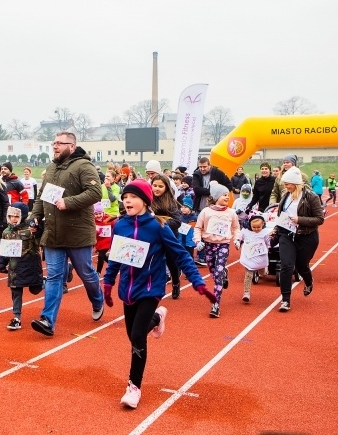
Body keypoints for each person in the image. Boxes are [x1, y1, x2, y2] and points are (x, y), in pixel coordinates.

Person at [102, 179, 214, 409]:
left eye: (132, 197)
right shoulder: (121, 225)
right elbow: (115, 256)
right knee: (133, 336)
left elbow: (181, 255)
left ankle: (134, 387)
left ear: (144, 200)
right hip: (128, 291)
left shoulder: (158, 227)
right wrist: (108, 282)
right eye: (125, 197)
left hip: (150, 289)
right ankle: (158, 318)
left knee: (137, 337)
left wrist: (197, 281)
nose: (127, 200)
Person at [29, 132, 106, 337]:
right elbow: (42, 196)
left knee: (86, 273)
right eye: (53, 143)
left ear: (72, 146)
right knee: (54, 275)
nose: (55, 146)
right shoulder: (52, 167)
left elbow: (95, 193)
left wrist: (68, 202)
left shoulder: (83, 166)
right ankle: (48, 320)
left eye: (59, 143)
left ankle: (98, 299)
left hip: (77, 233)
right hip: (53, 233)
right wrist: (34, 216)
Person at [273, 166, 324, 312]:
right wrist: (276, 230)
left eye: (287, 183)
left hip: (307, 236)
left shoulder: (311, 197)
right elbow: (281, 216)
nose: (285, 186)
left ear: (296, 183)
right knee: (287, 266)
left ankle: (308, 281)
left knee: (302, 266)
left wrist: (299, 219)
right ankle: (285, 300)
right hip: (286, 235)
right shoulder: (285, 196)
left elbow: (320, 219)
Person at [193, 181, 240, 318]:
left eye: (228, 195)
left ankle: (215, 304)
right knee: (214, 273)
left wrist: (237, 239)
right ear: (215, 196)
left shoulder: (231, 213)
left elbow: (236, 228)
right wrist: (198, 241)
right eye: (224, 195)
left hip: (223, 245)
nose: (227, 197)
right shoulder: (205, 212)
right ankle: (223, 273)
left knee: (218, 274)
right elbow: (198, 228)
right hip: (208, 245)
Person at [0, 203, 43, 331]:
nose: (13, 219)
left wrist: (38, 230)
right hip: (14, 268)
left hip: (30, 265)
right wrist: (2, 262)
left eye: (16, 216)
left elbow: (40, 240)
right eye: (11, 216)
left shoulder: (30, 230)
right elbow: (4, 249)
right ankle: (16, 318)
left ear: (22, 216)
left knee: (35, 290)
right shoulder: (6, 232)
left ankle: (46, 281)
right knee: (16, 291)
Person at [150, 174, 183, 299]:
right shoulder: (147, 200)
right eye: (154, 185)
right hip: (153, 237)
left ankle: (175, 282)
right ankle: (154, 287)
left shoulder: (171, 202)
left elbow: (177, 222)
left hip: (169, 237)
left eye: (160, 186)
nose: (157, 189)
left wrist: (160, 222)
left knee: (171, 262)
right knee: (154, 262)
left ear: (166, 187)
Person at [236, 214, 272, 303]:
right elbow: (239, 237)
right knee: (248, 275)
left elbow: (268, 242)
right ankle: (246, 293)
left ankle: (264, 270)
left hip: (260, 256)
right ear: (250, 224)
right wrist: (237, 241)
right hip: (249, 256)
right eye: (254, 227)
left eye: (258, 227)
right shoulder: (245, 231)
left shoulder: (265, 232)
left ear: (263, 224)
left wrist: (270, 246)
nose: (256, 229)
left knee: (262, 273)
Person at [93, 201, 115, 274]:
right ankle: (115, 266)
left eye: (100, 213)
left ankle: (98, 273)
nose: (98, 215)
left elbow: (115, 227)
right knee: (104, 256)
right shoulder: (92, 221)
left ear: (103, 213)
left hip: (107, 241)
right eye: (96, 214)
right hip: (98, 242)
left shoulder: (108, 219)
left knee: (100, 256)